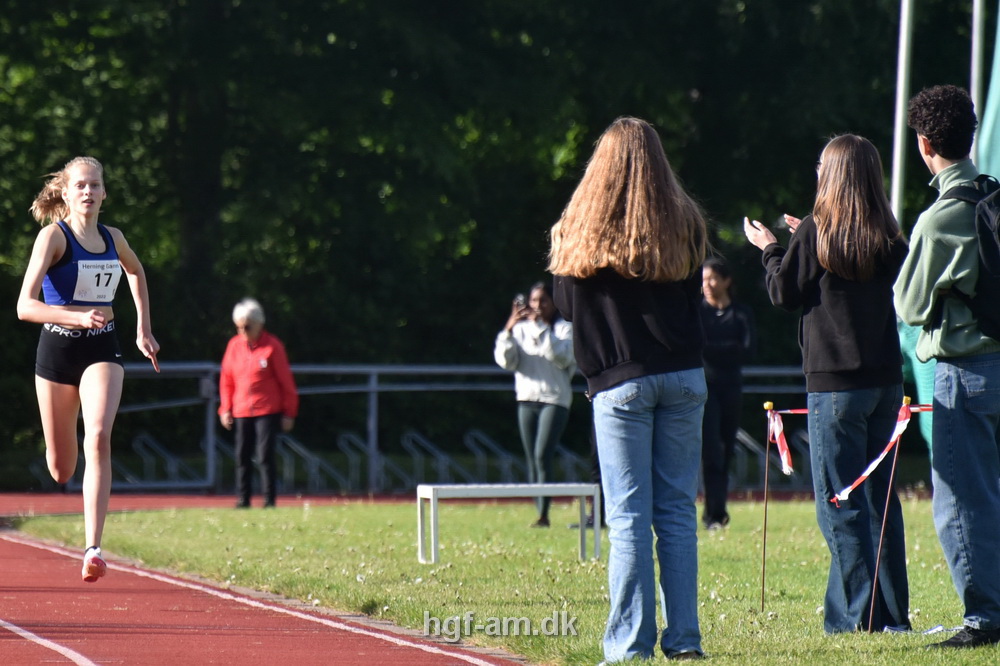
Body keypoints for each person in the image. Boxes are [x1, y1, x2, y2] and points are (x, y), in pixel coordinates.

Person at [549, 116, 708, 661]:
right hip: (685, 375)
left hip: (619, 381)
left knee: (629, 519)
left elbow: (568, 307)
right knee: (678, 513)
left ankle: (630, 645)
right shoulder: (684, 220)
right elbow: (694, 295)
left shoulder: (580, 226)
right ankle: (685, 641)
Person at [744, 134, 910, 634]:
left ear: (833, 174)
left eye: (821, 166)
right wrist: (800, 240)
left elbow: (782, 292)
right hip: (884, 381)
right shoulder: (887, 232)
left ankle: (854, 619)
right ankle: (891, 615)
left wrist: (773, 249)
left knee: (838, 501)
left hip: (835, 385)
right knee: (881, 499)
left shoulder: (819, 230)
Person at [16, 156, 160, 583]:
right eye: (80, 186)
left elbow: (135, 271)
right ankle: (63, 461)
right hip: (58, 353)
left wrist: (143, 329)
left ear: (104, 193)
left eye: (95, 186)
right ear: (65, 191)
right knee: (61, 467)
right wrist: (76, 317)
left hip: (103, 348)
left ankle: (93, 547)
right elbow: (24, 306)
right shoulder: (52, 238)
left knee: (97, 436)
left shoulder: (114, 238)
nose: (88, 193)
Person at [894, 84, 1000, 649]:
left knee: (961, 498)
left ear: (925, 144)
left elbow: (909, 307)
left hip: (966, 371)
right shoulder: (995, 197)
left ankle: (984, 616)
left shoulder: (940, 220)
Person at [493, 282, 575, 527]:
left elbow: (561, 357)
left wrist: (540, 327)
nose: (538, 306)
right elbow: (507, 362)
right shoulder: (519, 330)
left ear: (553, 303)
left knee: (542, 455)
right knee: (531, 458)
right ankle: (539, 513)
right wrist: (508, 329)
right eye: (534, 301)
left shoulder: (564, 329)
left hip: (554, 399)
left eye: (544, 301)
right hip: (526, 399)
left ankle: (544, 513)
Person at [218, 298, 299, 509]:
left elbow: (286, 383)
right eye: (238, 327)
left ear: (259, 324)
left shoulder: (273, 347)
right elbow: (227, 380)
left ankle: (269, 500)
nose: (242, 331)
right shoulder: (233, 346)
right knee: (241, 456)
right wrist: (225, 408)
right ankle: (243, 499)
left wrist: (289, 412)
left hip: (267, 409)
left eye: (246, 326)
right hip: (242, 409)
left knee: (265, 456)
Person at [699, 256, 756, 530]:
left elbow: (747, 349)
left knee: (727, 449)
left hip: (731, 388)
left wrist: (715, 348)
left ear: (726, 281)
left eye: (712, 278)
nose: (707, 285)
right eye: (704, 280)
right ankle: (712, 513)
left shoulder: (741, 313)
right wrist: (726, 348)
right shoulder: (699, 313)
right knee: (710, 451)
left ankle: (719, 511)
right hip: (706, 390)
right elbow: (699, 348)